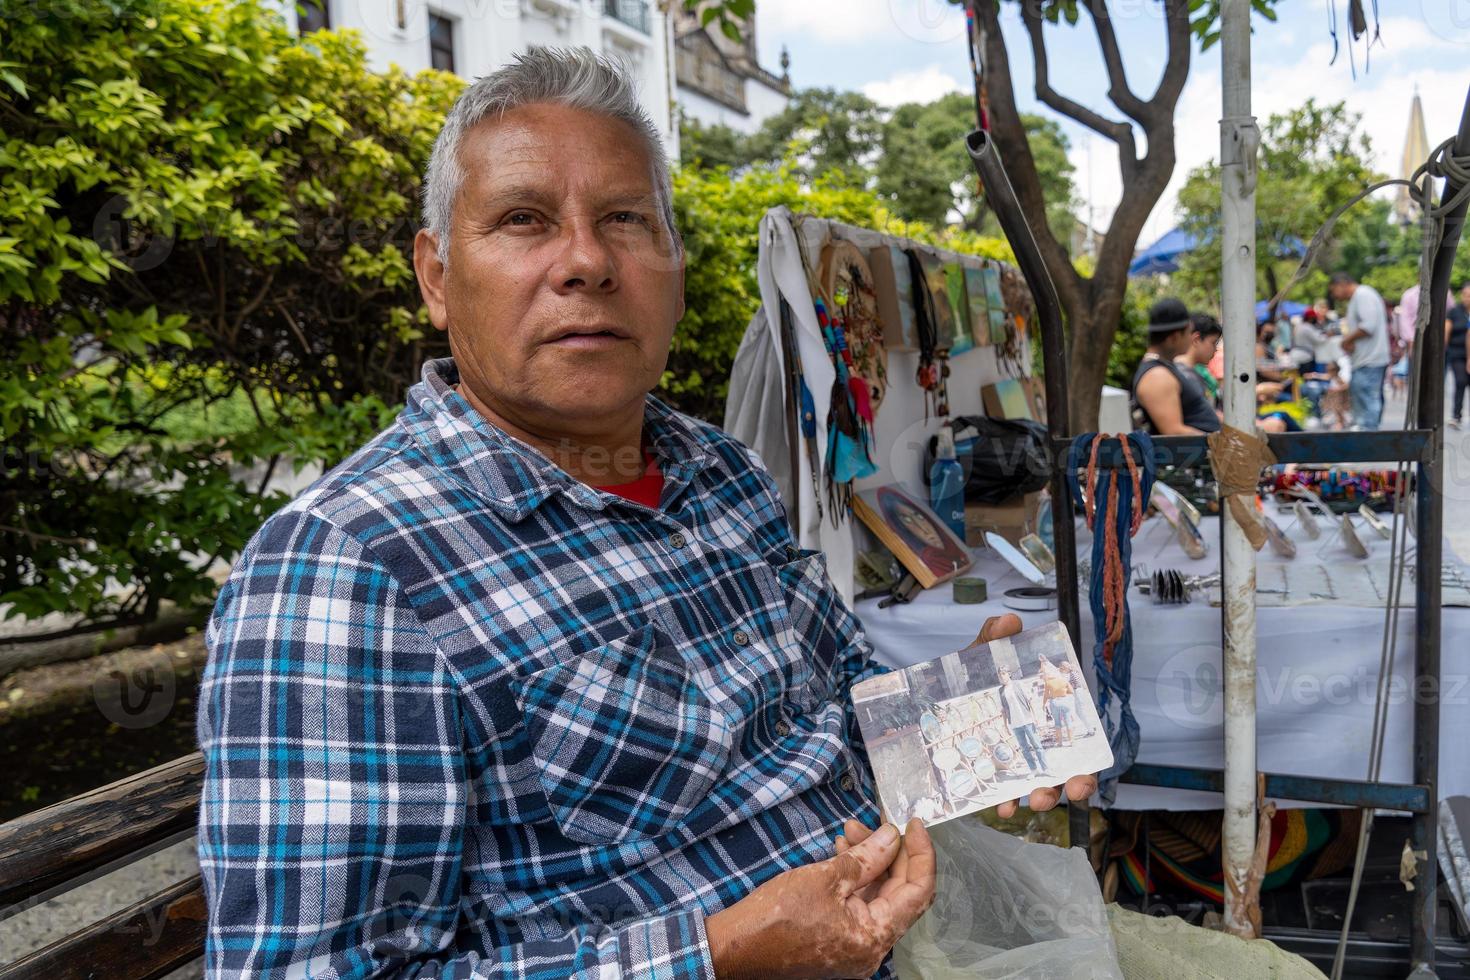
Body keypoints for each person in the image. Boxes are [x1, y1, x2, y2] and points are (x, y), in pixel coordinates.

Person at [195, 49, 1093, 979]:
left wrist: (970, 711)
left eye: (625, 219)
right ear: (435, 275)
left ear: (673, 262)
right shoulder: (344, 574)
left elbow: (840, 709)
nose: (585, 260)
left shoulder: (719, 472)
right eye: (521, 220)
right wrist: (716, 958)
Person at [1131, 298, 1222, 435]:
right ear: (1174, 337)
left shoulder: (1164, 369)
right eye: (1188, 333)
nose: (1191, 339)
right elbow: (1174, 432)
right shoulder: (1157, 376)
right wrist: (1223, 446)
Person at [1330, 272, 1392, 429]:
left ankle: (1369, 441)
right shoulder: (1360, 296)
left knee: (1367, 404)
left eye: (1333, 290)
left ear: (1342, 284)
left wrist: (1347, 340)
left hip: (1369, 361)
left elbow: (1368, 326)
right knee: (1366, 402)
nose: (1334, 295)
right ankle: (1368, 438)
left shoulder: (1363, 295)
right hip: (1366, 360)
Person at [997, 665, 1049, 777]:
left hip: (1027, 720)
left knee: (1037, 745)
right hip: (1015, 724)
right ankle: (1033, 770)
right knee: (1024, 749)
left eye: (1003, 674)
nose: (1002, 677)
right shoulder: (1000, 691)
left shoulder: (1019, 684)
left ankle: (1045, 768)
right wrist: (1006, 725)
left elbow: (1029, 701)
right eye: (1000, 675)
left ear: (1009, 674)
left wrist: (1034, 717)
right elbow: (1003, 710)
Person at [1177, 312, 1222, 407]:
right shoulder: (1183, 375)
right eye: (1213, 343)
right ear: (1197, 339)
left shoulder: (1191, 370)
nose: (1216, 349)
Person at [1038, 655, 1079, 747]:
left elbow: (1045, 695)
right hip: (1065, 701)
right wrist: (1064, 692)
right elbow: (1072, 691)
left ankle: (1060, 742)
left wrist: (1044, 704)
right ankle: (1071, 741)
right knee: (1068, 721)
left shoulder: (1048, 683)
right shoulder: (1063, 680)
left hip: (1054, 702)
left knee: (1057, 723)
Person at [1447, 282, 1470, 427]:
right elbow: (1446, 331)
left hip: (1468, 353)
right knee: (1461, 381)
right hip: (1457, 353)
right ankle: (1456, 414)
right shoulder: (1454, 312)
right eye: (1466, 295)